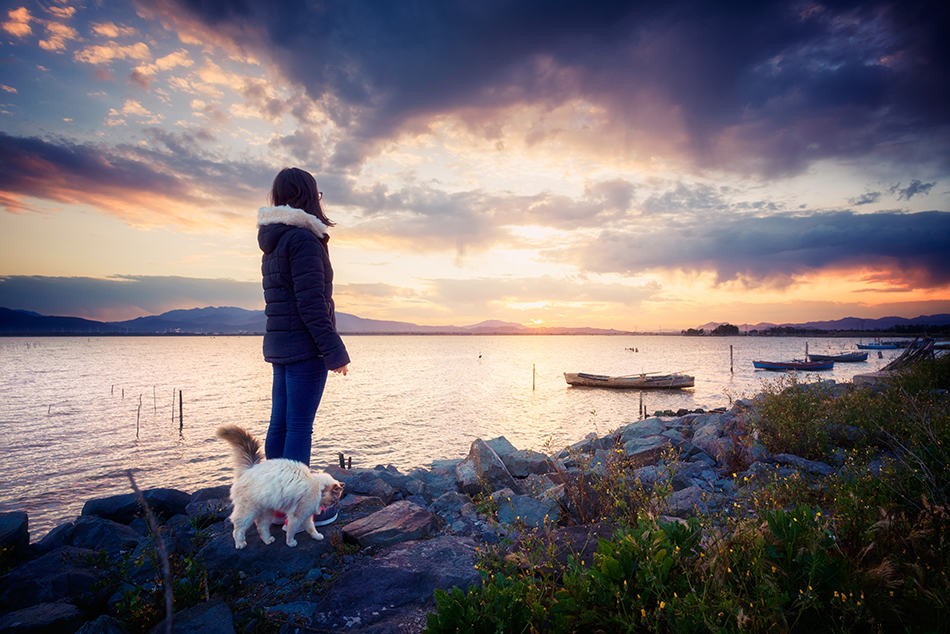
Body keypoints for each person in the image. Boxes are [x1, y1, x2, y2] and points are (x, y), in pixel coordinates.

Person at [257, 167, 350, 525]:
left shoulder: (275, 240)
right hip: (304, 346)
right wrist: (334, 353)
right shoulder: (304, 240)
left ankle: (275, 504)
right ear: (310, 196)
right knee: (297, 427)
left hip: (280, 344)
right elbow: (311, 304)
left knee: (280, 423)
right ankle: (295, 507)